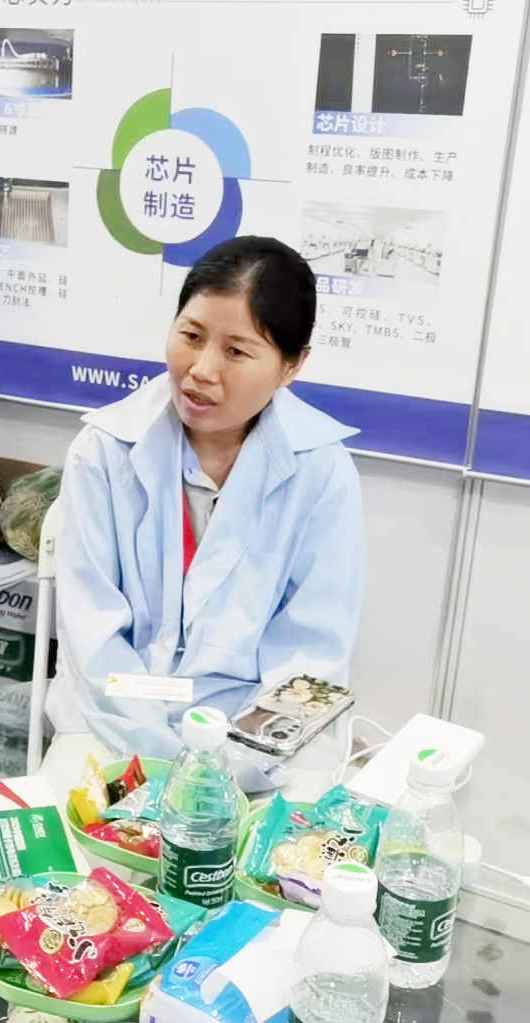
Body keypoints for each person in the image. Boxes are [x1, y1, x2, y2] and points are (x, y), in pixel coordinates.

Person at [48, 236, 364, 772]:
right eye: (191, 336)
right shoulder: (103, 450)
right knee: (70, 817)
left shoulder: (322, 471)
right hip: (113, 720)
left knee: (292, 823)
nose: (201, 370)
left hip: (260, 739)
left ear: (291, 366)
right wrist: (160, 753)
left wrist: (226, 763)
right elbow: (93, 636)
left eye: (237, 351)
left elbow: (311, 657)